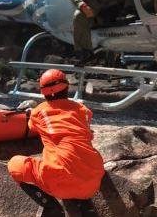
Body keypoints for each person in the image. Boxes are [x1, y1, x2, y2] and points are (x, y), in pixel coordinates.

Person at [7, 69, 105, 216]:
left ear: (44, 93)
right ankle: (85, 204)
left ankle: (51, 206)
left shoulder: (39, 111)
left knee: (14, 164)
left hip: (57, 181)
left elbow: (31, 126)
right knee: (77, 161)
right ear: (67, 88)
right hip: (93, 181)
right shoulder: (83, 110)